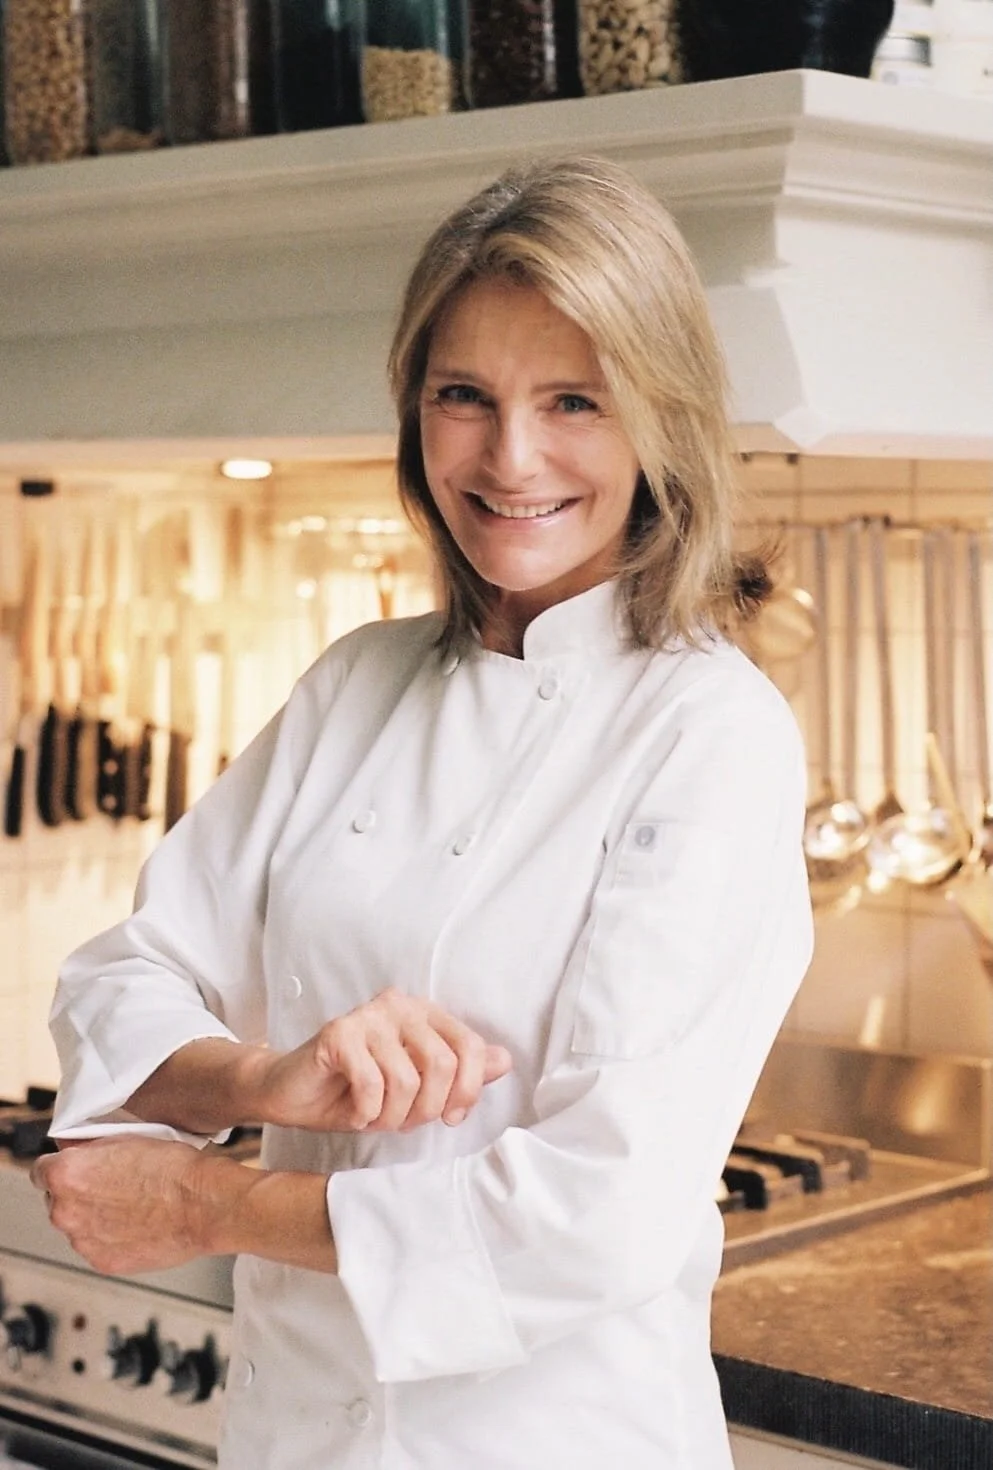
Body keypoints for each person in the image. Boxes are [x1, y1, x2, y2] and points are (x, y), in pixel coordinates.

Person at [34, 155, 813, 1470]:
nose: (511, 457)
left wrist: (209, 1197)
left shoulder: (711, 735)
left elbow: (593, 1211)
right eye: (466, 396)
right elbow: (126, 975)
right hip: (295, 1435)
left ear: (660, 418)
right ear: (415, 412)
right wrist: (260, 1075)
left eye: (575, 398)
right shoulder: (356, 682)